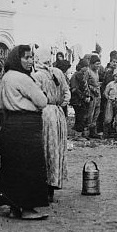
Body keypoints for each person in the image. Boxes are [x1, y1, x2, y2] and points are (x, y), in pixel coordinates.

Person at [0, 45, 50, 219]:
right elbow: (42, 101)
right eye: (26, 57)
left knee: (13, 166)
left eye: (31, 58)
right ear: (17, 59)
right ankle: (28, 209)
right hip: (27, 125)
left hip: (10, 124)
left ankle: (14, 208)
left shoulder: (6, 77)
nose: (30, 61)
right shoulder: (23, 78)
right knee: (30, 166)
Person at [33, 56, 70, 202]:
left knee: (45, 149)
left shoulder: (37, 76)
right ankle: (52, 187)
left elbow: (34, 96)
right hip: (58, 112)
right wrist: (60, 103)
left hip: (44, 113)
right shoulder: (58, 73)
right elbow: (67, 93)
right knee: (56, 148)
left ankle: (43, 187)